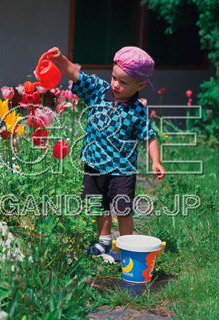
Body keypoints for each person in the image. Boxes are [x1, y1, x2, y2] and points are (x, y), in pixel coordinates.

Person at [47, 46, 165, 263]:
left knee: (123, 207)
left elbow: (149, 136)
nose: (115, 84)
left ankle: (127, 247)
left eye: (123, 82)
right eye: (114, 77)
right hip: (94, 163)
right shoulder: (98, 90)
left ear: (140, 85)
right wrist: (61, 59)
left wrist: (156, 161)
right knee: (97, 203)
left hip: (122, 169)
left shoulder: (137, 111)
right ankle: (103, 241)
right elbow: (76, 74)